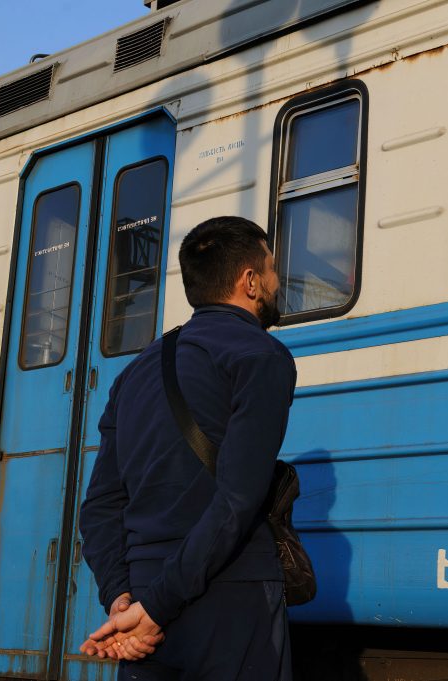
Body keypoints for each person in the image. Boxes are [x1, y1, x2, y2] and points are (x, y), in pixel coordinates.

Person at [78, 216, 297, 680]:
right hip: (227, 599)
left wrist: (123, 599)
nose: (279, 280)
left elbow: (99, 506)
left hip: (141, 613)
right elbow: (238, 500)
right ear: (250, 281)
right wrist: (157, 606)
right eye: (273, 268)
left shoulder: (135, 372)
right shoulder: (260, 356)